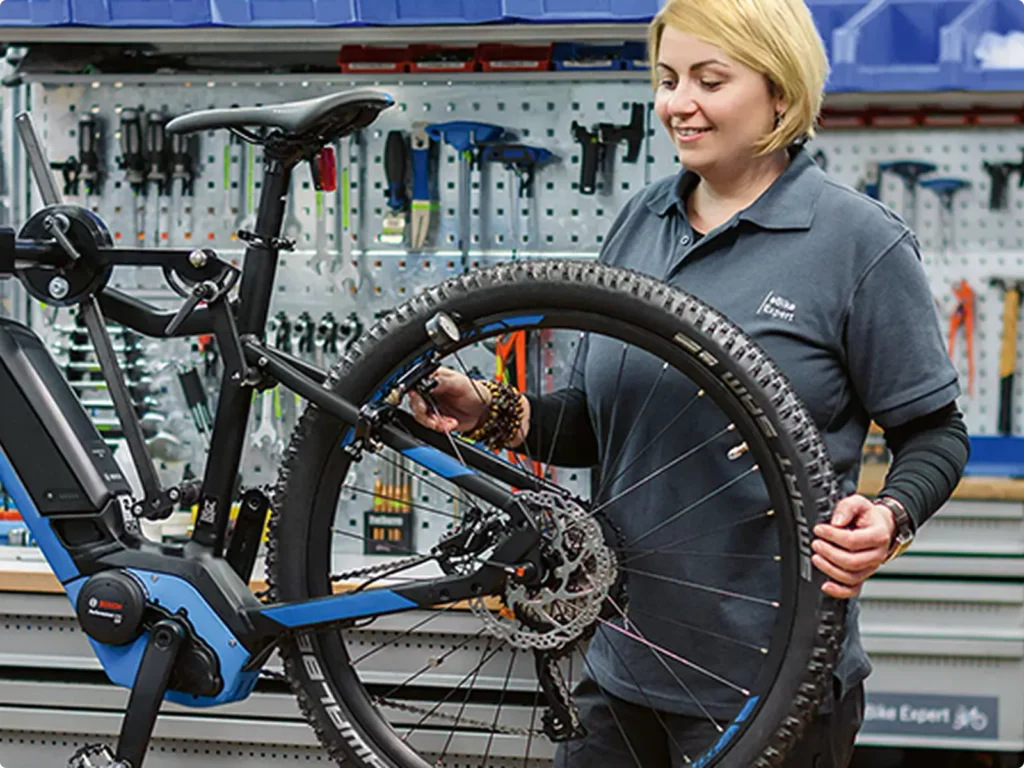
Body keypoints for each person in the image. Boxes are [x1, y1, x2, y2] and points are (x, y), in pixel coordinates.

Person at [409, 0, 971, 765]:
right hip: (618, 662)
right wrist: (491, 409)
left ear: (779, 92)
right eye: (668, 78)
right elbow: (600, 424)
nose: (679, 104)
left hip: (769, 679)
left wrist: (892, 516)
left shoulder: (858, 244)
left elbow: (935, 433)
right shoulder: (642, 220)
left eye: (710, 79)